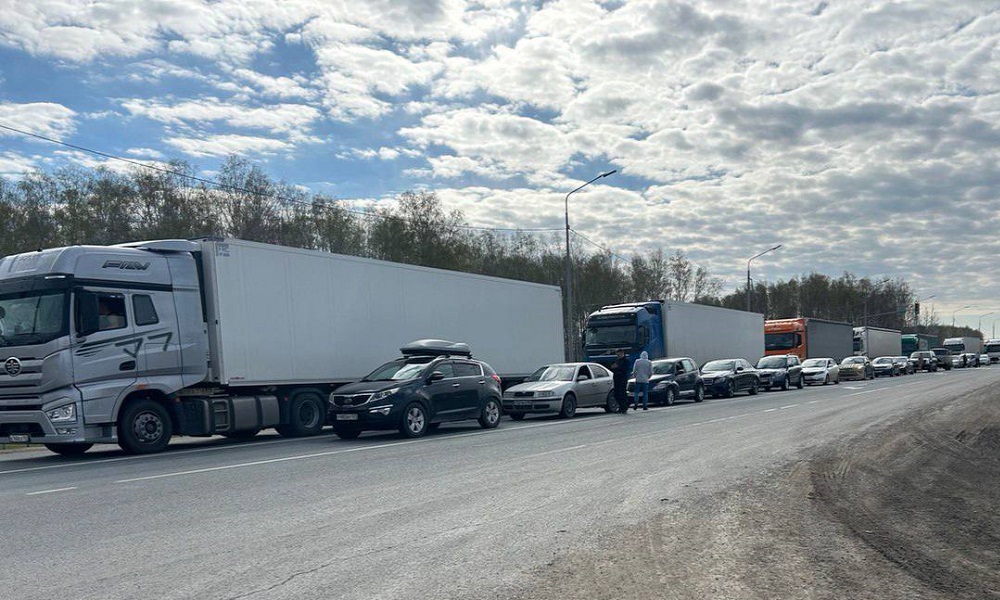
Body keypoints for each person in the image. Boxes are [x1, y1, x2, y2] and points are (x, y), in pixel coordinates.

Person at [609, 349, 630, 414]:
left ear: (622, 353)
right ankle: (620, 407)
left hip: (622, 378)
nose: (618, 355)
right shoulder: (617, 360)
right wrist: (615, 367)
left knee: (622, 393)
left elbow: (625, 369)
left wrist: (617, 368)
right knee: (616, 394)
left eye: (619, 354)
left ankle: (624, 407)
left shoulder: (626, 360)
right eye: (617, 354)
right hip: (616, 378)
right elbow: (612, 367)